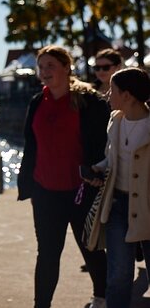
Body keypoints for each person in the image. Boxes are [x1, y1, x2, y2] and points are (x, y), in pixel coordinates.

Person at [18, 45, 109, 308]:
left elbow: (103, 144)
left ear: (67, 67)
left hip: (82, 190)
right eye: (41, 66)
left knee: (90, 248)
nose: (44, 72)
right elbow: (30, 146)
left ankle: (101, 298)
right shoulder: (37, 102)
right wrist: (29, 184)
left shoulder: (88, 101)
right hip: (45, 191)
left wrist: (95, 175)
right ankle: (41, 305)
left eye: (50, 66)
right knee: (47, 253)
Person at [87, 67, 150, 308]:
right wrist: (98, 168)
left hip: (147, 206)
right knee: (118, 276)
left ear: (128, 95)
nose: (106, 94)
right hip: (117, 205)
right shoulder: (116, 120)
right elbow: (112, 158)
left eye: (112, 90)